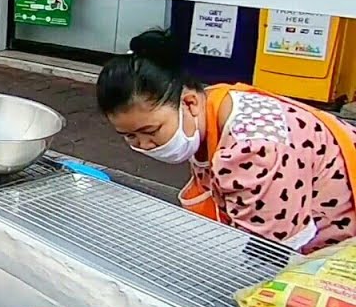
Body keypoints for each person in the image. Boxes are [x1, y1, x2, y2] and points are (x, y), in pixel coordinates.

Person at [97, 30, 356, 254]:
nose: (143, 144)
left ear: (189, 103)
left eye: (150, 130)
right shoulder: (213, 104)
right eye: (130, 136)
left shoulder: (252, 151)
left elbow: (271, 254)